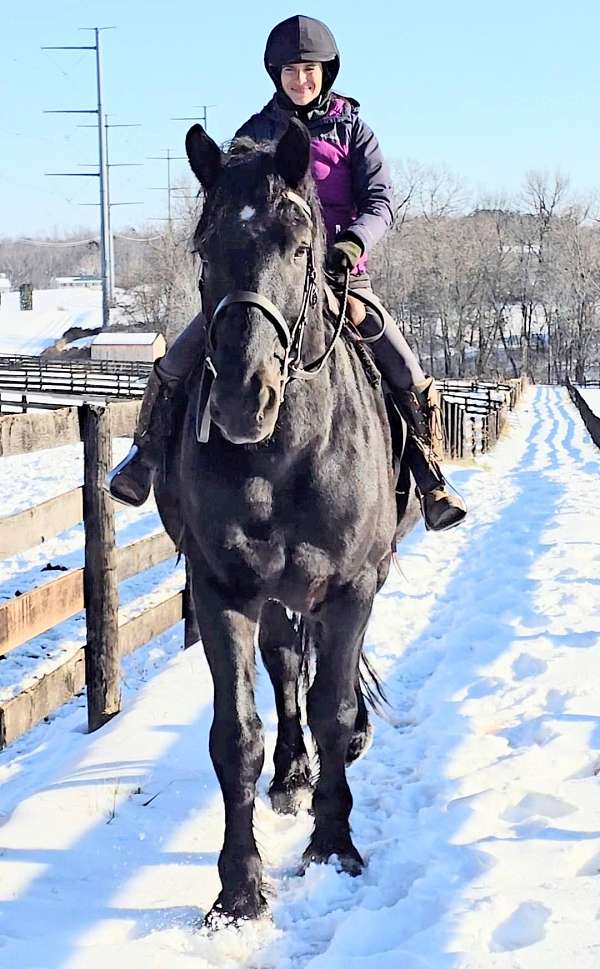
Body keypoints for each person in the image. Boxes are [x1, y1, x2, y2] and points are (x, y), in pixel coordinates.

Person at [108, 14, 466, 532]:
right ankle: (145, 458)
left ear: (328, 72)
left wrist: (351, 242)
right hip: (268, 281)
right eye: (291, 71)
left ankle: (430, 475)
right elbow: (230, 205)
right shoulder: (254, 134)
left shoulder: (354, 132)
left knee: (405, 368)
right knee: (178, 359)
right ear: (276, 75)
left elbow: (381, 202)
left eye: (311, 70)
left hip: (342, 278)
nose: (301, 80)